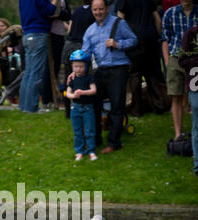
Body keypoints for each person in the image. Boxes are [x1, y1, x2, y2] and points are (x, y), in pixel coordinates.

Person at [82, 0, 137, 153]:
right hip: (101, 70)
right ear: (92, 10)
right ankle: (96, 139)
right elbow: (85, 54)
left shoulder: (118, 23)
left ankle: (114, 143)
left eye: (100, 9)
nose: (98, 12)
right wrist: (77, 71)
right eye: (95, 10)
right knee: (94, 105)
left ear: (107, 9)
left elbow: (133, 40)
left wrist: (117, 44)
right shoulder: (90, 31)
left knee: (117, 106)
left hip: (119, 69)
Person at [116, 0, 167, 117]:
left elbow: (120, 20)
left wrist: (122, 41)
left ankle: (136, 109)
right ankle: (159, 105)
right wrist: (158, 35)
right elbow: (158, 20)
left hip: (133, 39)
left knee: (135, 75)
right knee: (152, 74)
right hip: (150, 38)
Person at [162, 0, 198, 140]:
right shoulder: (170, 13)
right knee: (175, 95)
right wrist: (167, 61)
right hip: (176, 58)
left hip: (195, 60)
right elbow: (165, 39)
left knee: (195, 97)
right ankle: (178, 133)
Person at [18, 0, 60, 113]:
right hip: (38, 33)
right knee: (35, 73)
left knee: (28, 72)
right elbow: (49, 10)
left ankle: (23, 106)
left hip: (27, 34)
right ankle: (31, 107)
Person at [61, 1, 95, 118]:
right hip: (82, 46)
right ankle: (85, 107)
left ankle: (67, 111)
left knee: (68, 78)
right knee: (84, 77)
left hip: (69, 45)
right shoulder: (93, 11)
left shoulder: (77, 11)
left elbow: (69, 30)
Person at [66, 50, 97, 161]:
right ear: (72, 66)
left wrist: (83, 92)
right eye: (76, 66)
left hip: (88, 108)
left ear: (86, 66)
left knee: (89, 130)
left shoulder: (89, 78)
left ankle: (91, 150)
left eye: (81, 66)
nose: (78, 69)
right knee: (77, 131)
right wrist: (73, 96)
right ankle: (79, 151)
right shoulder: (72, 79)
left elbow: (93, 90)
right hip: (75, 108)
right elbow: (67, 93)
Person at [41, 0, 71, 109]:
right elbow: (48, 13)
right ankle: (46, 99)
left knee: (57, 66)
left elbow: (68, 15)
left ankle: (54, 97)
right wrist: (58, 13)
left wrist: (58, 13)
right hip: (49, 34)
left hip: (60, 35)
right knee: (49, 68)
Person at [179, 25, 198, 177]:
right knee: (197, 128)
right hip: (195, 86)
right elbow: (182, 61)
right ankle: (197, 166)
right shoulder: (190, 35)